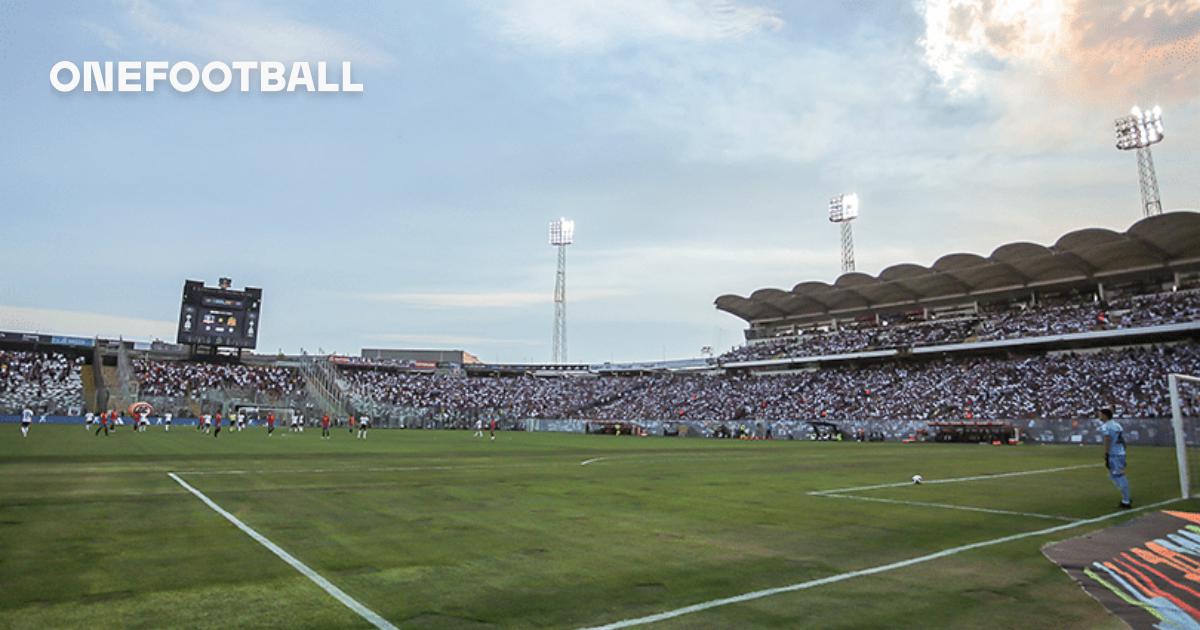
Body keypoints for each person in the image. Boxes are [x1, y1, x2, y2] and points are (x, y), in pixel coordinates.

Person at [1100, 407, 1132, 509]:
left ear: (1105, 416)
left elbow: (1107, 440)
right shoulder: (1117, 425)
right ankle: (1125, 496)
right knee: (1112, 475)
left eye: (1100, 414)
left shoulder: (1106, 426)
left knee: (1119, 476)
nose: (1099, 416)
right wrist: (1124, 450)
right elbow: (1122, 439)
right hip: (1120, 452)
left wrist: (1106, 454)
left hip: (1114, 454)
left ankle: (1126, 500)